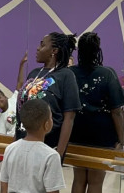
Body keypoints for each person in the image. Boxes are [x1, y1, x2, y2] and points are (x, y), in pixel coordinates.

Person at [69, 32, 124, 193]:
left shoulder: (69, 73)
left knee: (78, 180)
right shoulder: (107, 74)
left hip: (75, 132)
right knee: (95, 183)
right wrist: (121, 139)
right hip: (101, 134)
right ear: (98, 51)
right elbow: (116, 111)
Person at [17, 32, 81, 161]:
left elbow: (69, 118)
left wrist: (59, 154)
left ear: (54, 51)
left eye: (42, 45)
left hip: (47, 147)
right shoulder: (34, 73)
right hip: (22, 142)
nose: (37, 48)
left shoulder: (66, 76)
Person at [0, 53, 28, 167]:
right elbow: (2, 138)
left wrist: (21, 65)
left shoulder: (14, 99)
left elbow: (20, 83)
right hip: (13, 144)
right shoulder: (1, 119)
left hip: (25, 136)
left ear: (5, 96)